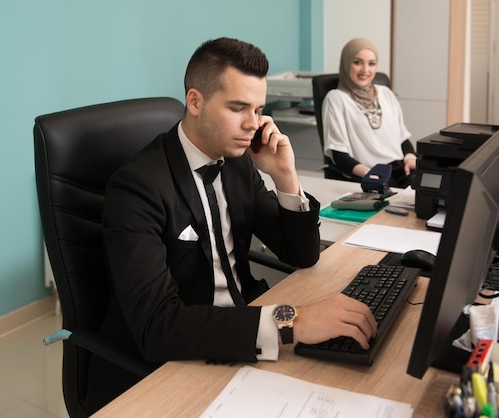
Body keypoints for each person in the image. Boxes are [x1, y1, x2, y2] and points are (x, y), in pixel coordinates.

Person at [86, 37, 377, 413]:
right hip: (181, 356)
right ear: (195, 101)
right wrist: (291, 322)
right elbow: (158, 327)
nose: (252, 124)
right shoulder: (138, 187)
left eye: (258, 110)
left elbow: (301, 254)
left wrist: (286, 177)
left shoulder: (239, 159)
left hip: (247, 327)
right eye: (238, 108)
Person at [323, 38, 416, 188]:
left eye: (371, 64)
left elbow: (402, 138)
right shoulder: (336, 98)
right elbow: (339, 156)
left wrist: (411, 158)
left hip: (400, 169)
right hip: (368, 173)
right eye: (357, 62)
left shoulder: (385, 93)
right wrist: (372, 175)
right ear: (346, 64)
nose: (365, 70)